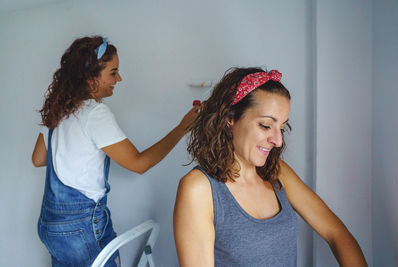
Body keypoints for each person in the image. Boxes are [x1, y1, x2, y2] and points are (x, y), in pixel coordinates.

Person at [31, 36, 199, 267]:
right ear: (90, 78)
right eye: (113, 72)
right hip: (82, 229)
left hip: (51, 226)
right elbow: (139, 164)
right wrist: (181, 129)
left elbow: (38, 159)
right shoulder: (94, 114)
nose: (119, 78)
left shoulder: (59, 110)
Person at [173, 67, 368, 266]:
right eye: (266, 125)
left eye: (282, 128)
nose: (278, 140)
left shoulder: (277, 172)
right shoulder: (199, 188)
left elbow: (337, 234)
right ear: (229, 118)